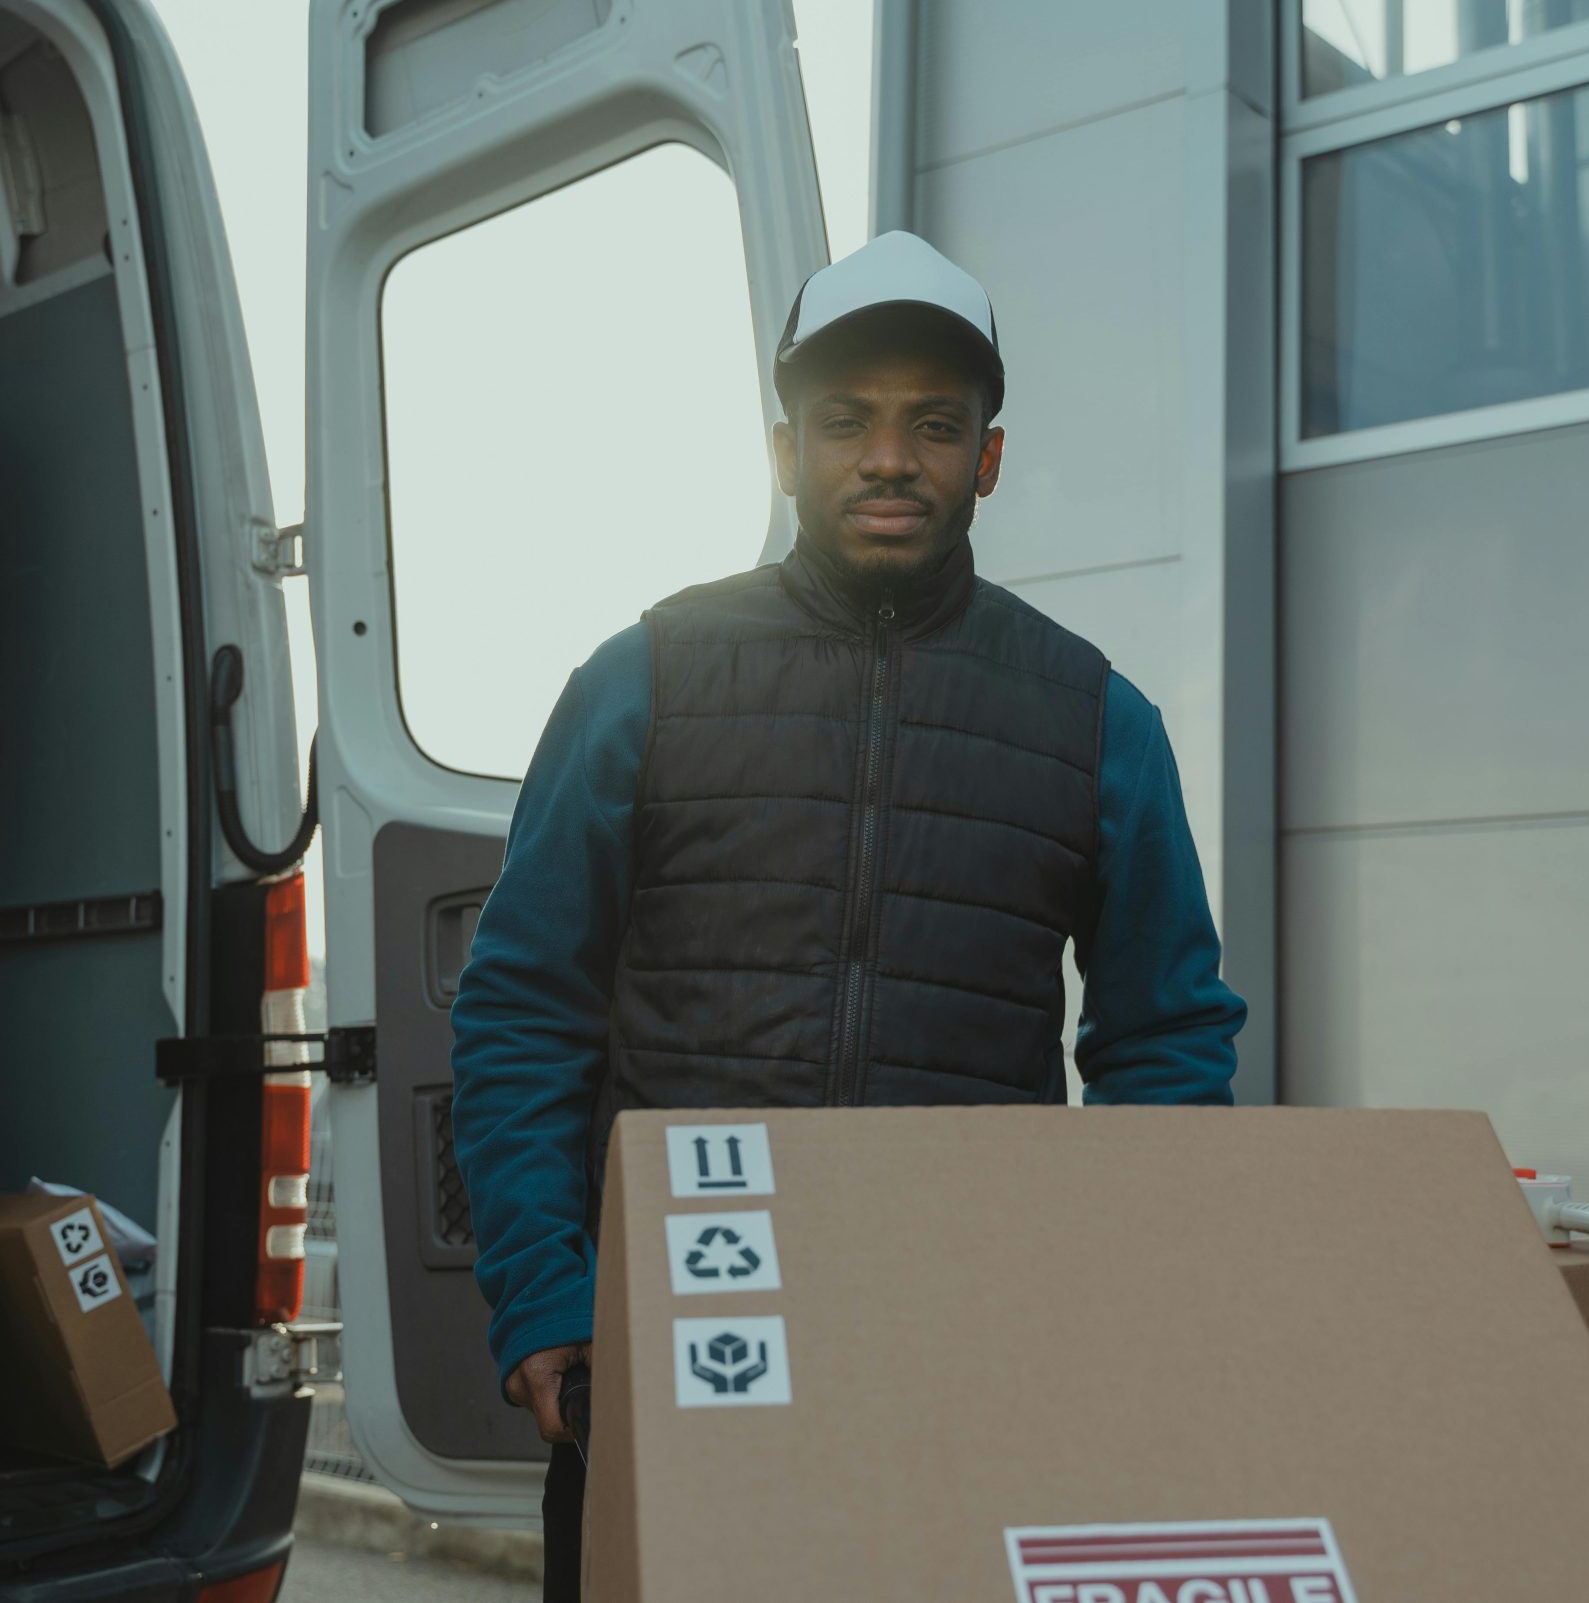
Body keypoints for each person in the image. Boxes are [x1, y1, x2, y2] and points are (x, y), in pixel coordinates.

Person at [448, 231, 1247, 1600]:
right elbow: (523, 1010)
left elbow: (1168, 1040)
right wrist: (547, 1298)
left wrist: (1098, 1293)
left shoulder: (1097, 722)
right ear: (785, 451)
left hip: (964, 1357)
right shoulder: (644, 678)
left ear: (987, 458)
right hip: (675, 1343)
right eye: (848, 422)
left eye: (936, 425)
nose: (891, 458)